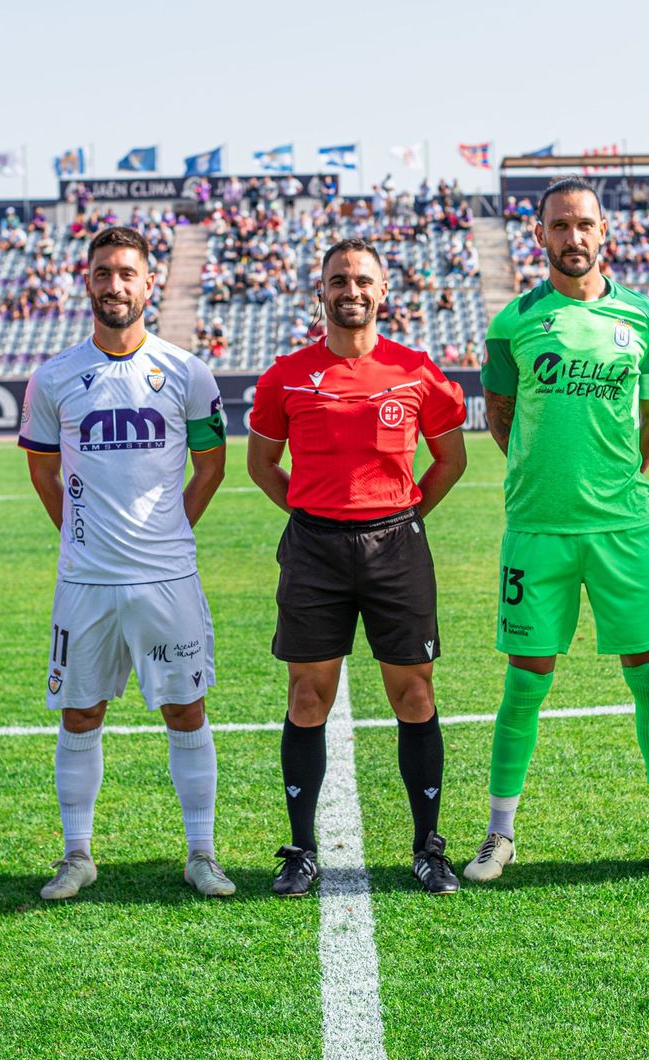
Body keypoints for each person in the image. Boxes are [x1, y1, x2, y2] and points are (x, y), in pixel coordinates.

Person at [467, 177, 649, 884]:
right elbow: (502, 417)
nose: (573, 237)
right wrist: (548, 480)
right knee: (526, 682)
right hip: (539, 529)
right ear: (539, 235)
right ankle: (499, 835)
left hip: (624, 529)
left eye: (585, 225)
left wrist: (609, 481)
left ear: (604, 233)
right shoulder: (512, 321)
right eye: (559, 226)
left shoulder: (643, 316)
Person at [247, 237, 468, 896]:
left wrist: (404, 513)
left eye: (363, 280)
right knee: (307, 697)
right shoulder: (285, 375)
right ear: (321, 290)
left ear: (383, 291)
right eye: (339, 279)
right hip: (314, 550)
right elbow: (262, 465)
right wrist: (314, 510)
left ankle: (428, 845)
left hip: (396, 546)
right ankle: (301, 848)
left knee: (414, 695)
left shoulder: (417, 370)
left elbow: (451, 459)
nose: (352, 290)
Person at [20, 226, 233, 901]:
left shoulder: (186, 372)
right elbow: (43, 472)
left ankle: (201, 853)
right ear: (88, 282)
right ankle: (77, 855)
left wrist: (168, 531)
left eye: (128, 274)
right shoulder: (53, 377)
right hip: (86, 583)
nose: (115, 285)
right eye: (104, 273)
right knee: (80, 714)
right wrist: (84, 537)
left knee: (185, 711)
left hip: (167, 580)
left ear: (149, 285)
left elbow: (210, 466)